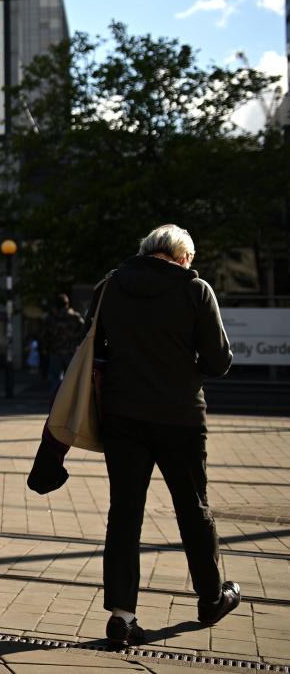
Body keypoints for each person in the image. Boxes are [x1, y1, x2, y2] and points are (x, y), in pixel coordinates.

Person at [91, 224, 239, 648]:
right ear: (182, 256)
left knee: (124, 515)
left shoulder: (110, 287)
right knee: (193, 509)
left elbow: (93, 347)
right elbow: (218, 361)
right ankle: (210, 599)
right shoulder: (197, 290)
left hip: (121, 416)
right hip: (180, 418)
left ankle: (122, 617)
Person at [46, 293, 84, 380]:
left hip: (55, 351)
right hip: (71, 352)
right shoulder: (75, 317)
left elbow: (45, 335)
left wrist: (47, 348)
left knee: (55, 380)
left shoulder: (51, 318)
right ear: (67, 304)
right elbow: (84, 333)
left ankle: (56, 393)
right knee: (71, 381)